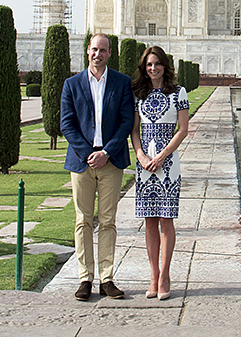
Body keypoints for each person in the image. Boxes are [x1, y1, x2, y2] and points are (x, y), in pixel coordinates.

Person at [60, 33, 135, 301]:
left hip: (110, 160)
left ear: (109, 53)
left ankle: (106, 278)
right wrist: (88, 153)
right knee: (82, 220)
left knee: (107, 220)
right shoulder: (72, 84)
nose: (98, 54)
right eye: (94, 49)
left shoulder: (121, 82)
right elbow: (67, 123)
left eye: (103, 50)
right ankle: (85, 278)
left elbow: (126, 122)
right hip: (82, 161)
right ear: (87, 51)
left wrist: (106, 152)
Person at [130, 45, 189, 301]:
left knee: (166, 220)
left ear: (165, 65)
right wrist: (141, 156)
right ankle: (153, 275)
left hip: (168, 163)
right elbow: (134, 130)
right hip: (144, 165)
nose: (153, 68)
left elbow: (183, 130)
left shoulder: (178, 93)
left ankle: (165, 275)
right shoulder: (138, 94)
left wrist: (162, 156)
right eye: (149, 65)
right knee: (149, 220)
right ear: (144, 68)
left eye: (157, 63)